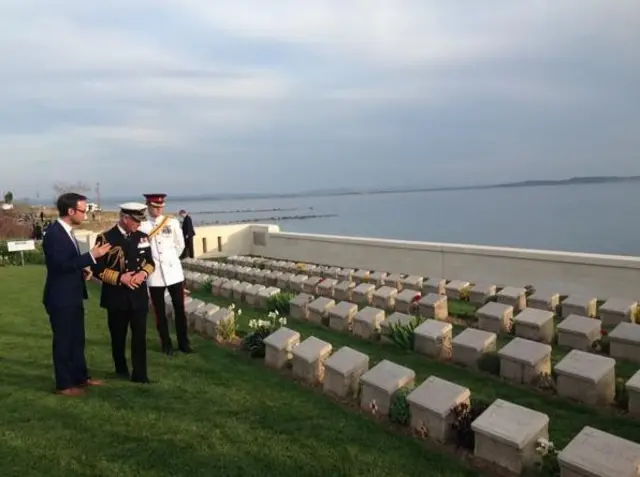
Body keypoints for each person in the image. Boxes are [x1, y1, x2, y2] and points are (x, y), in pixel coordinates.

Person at [42, 192, 112, 396]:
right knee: (64, 341)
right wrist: (92, 256)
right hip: (60, 297)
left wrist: (83, 269)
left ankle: (81, 377)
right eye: (83, 211)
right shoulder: (54, 234)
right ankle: (64, 385)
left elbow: (70, 263)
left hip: (72, 295)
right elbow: (60, 266)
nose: (86, 215)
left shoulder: (69, 232)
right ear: (71, 211)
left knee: (77, 339)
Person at [91, 203, 155, 383]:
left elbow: (150, 262)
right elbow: (97, 268)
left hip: (138, 295)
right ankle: (121, 370)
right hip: (116, 297)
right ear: (125, 218)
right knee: (118, 337)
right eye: (136, 221)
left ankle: (140, 374)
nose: (139, 225)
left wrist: (143, 273)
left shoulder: (142, 237)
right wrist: (120, 278)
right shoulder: (105, 238)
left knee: (140, 336)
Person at [140, 193, 192, 355]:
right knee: (159, 313)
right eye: (155, 207)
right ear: (148, 206)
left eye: (160, 206)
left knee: (179, 310)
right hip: (154, 275)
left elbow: (179, 245)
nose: (158, 209)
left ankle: (184, 343)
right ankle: (166, 344)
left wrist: (169, 260)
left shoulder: (172, 222)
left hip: (174, 273)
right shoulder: (143, 226)